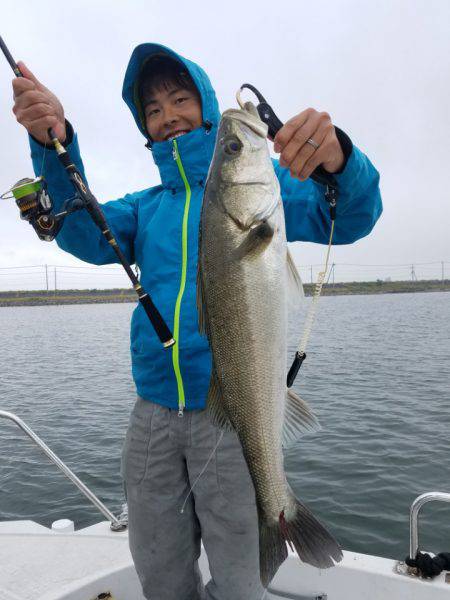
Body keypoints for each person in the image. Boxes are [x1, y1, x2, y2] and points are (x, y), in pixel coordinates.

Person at [12, 42, 382, 600]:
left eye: (180, 99)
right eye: (153, 110)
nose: (167, 116)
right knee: (157, 563)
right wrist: (52, 144)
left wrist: (338, 160)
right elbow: (85, 232)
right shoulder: (144, 207)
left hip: (234, 414)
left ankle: (277, 516)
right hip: (153, 415)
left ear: (207, 106)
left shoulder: (267, 190)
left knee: (239, 573)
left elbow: (350, 216)